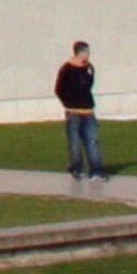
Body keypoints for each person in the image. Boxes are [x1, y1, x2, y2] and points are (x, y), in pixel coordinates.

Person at [56, 40, 103, 180]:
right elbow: (59, 89)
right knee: (75, 142)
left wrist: (87, 72)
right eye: (86, 52)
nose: (88, 55)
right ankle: (75, 168)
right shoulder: (67, 69)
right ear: (80, 53)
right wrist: (68, 103)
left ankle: (96, 171)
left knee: (92, 141)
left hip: (88, 111)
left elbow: (88, 86)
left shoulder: (88, 68)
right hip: (73, 112)